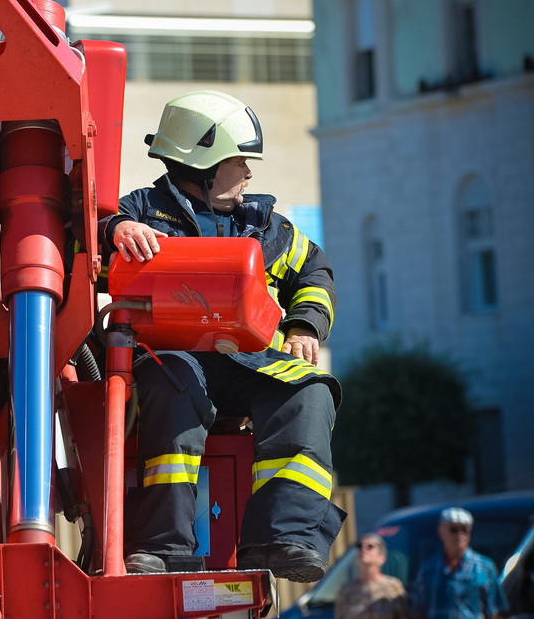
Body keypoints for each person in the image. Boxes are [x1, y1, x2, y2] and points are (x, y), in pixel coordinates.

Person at [103, 90, 345, 581]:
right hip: (171, 356)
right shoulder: (141, 212)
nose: (250, 174)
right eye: (241, 161)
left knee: (311, 392)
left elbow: (315, 274)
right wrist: (115, 229)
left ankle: (283, 538)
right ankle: (161, 548)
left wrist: (303, 326)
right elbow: (80, 234)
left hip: (251, 362)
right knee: (176, 386)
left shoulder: (268, 227)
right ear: (204, 163)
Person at [410, 507, 507, 619]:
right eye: (453, 529)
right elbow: (418, 612)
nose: (460, 534)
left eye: (464, 529)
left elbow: (495, 612)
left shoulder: (485, 566)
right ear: (440, 532)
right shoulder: (427, 569)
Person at [335, 534, 409, 619]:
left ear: (382, 557)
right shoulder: (346, 591)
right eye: (359, 546)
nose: (363, 549)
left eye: (370, 546)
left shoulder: (393, 587)